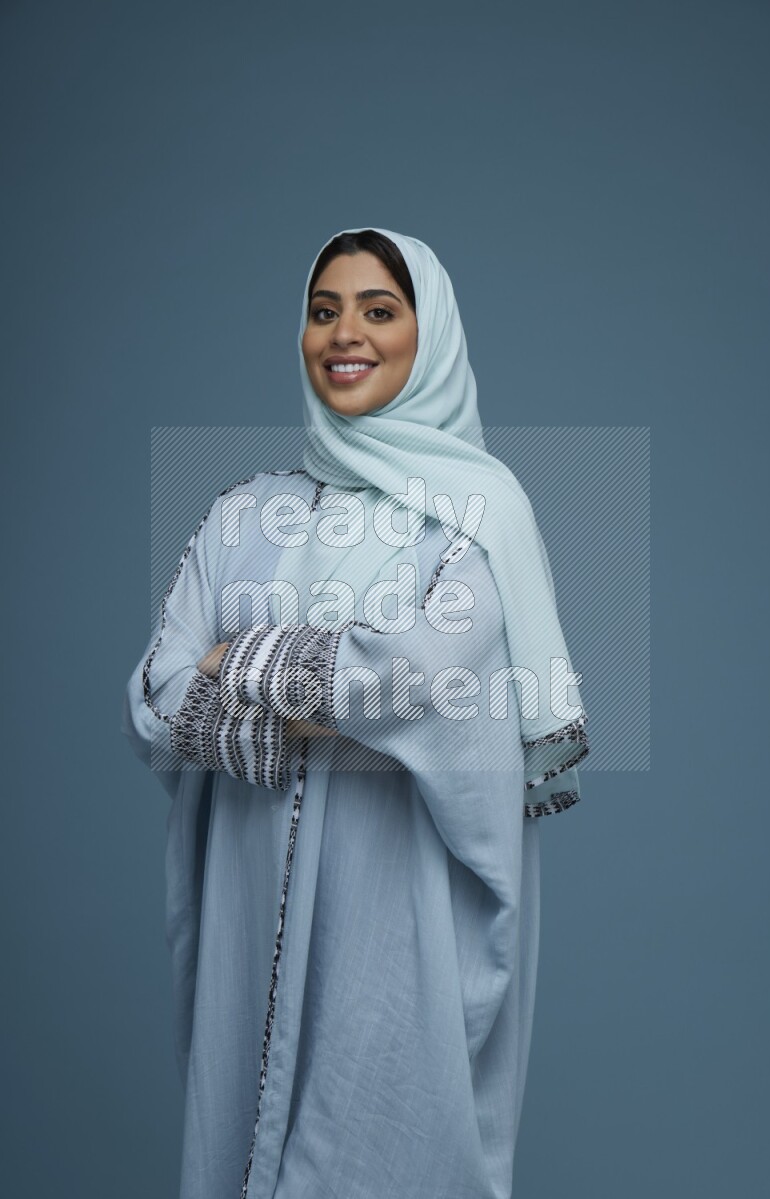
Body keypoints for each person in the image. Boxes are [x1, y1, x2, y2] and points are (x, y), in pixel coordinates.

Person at [122, 226, 590, 1199]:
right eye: (323, 309)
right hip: (246, 914)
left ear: (431, 334)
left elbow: (411, 678)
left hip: (396, 924)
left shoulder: (475, 526)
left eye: (379, 309)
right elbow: (155, 699)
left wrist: (233, 663)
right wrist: (317, 693)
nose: (346, 333)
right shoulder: (241, 514)